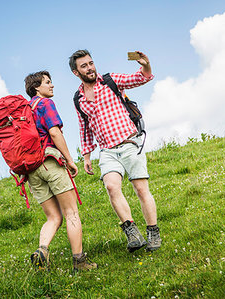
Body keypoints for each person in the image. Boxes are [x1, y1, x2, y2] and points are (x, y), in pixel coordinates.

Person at [69, 50, 161, 252]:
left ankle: (153, 233)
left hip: (130, 143)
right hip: (107, 151)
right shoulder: (78, 99)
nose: (90, 68)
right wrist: (86, 156)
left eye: (91, 63)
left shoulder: (110, 81)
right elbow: (84, 127)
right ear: (76, 72)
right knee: (111, 187)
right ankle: (132, 233)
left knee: (140, 189)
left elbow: (141, 78)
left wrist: (145, 64)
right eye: (84, 66)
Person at [24, 71, 96, 271]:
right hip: (49, 162)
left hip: (31, 170)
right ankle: (79, 262)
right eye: (48, 82)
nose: (52, 85)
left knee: (53, 217)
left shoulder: (25, 110)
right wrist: (71, 160)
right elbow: (54, 132)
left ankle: (42, 251)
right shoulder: (45, 104)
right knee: (71, 213)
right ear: (37, 87)